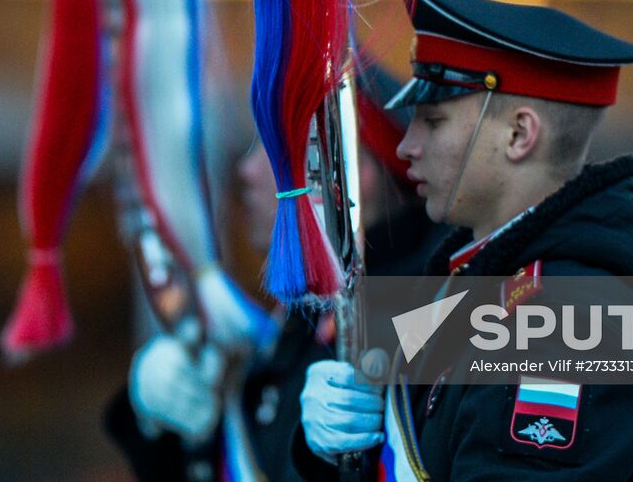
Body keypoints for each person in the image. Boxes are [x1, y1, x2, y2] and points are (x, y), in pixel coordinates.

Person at [295, 0, 633, 480]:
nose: (405, 146)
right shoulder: (474, 282)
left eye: (433, 121)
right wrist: (325, 450)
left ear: (519, 135)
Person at [104, 67, 442, 481]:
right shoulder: (301, 317)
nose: (246, 173)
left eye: (276, 149)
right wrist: (155, 421)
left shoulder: (430, 310)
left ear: (347, 171)